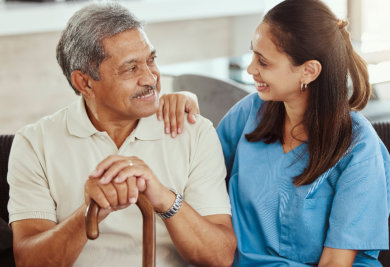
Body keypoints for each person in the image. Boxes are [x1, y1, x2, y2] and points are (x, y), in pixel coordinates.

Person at [159, 0, 390, 266]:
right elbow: (198, 171)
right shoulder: (250, 112)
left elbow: (335, 262)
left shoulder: (359, 147)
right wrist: (188, 104)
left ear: (309, 71)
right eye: (253, 55)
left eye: (263, 61)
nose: (250, 69)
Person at [7, 3, 236, 267]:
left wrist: (163, 198)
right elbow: (29, 261)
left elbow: (220, 256)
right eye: (131, 68)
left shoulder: (194, 132)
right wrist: (91, 213)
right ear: (84, 83)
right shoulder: (35, 143)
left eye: (151, 60)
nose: (151, 78)